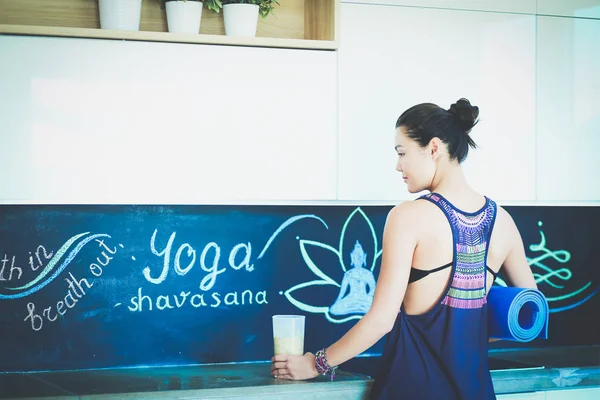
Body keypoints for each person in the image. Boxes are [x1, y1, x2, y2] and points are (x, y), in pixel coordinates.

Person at [270, 98, 538, 399]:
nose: (398, 166)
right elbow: (531, 313)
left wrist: (315, 363)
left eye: (402, 153)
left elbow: (382, 320)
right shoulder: (504, 222)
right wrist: (466, 327)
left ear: (434, 148)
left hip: (411, 388)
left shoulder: (408, 217)